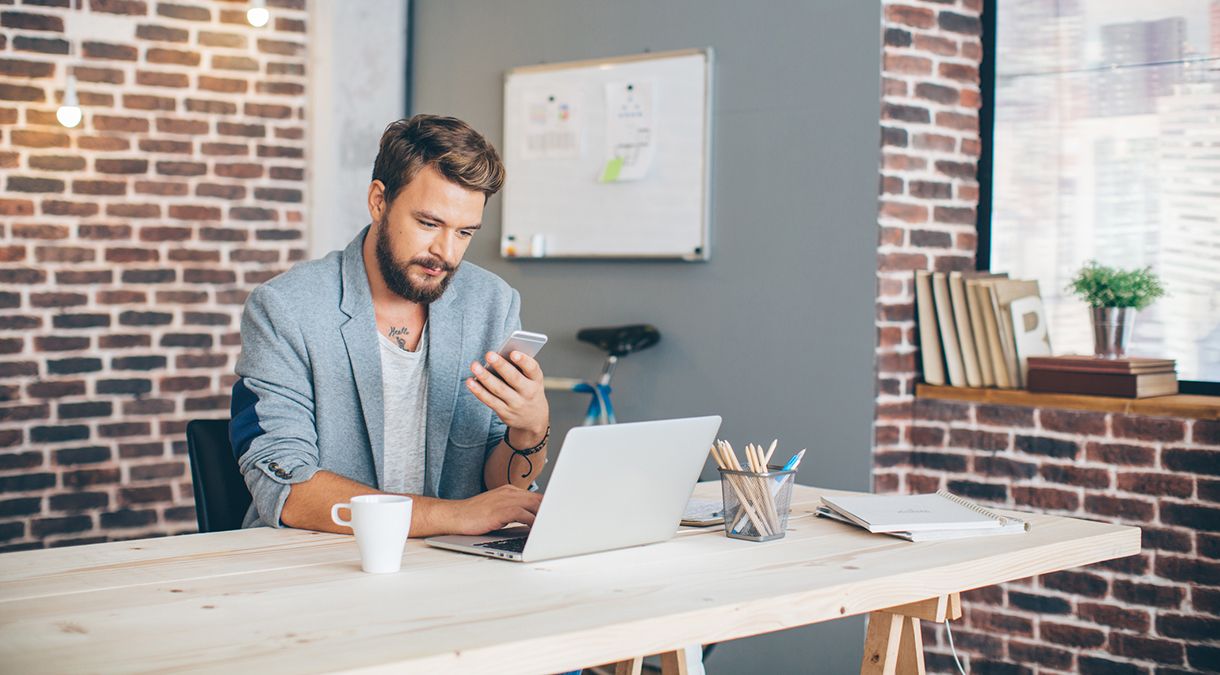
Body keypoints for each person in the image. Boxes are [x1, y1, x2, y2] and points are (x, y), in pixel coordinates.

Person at [229, 115, 549, 537]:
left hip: (453, 566)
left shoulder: (492, 303)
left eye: (465, 232)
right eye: (429, 224)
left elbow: (500, 489)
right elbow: (284, 485)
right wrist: (449, 516)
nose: (446, 253)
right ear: (379, 201)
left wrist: (529, 430)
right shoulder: (285, 308)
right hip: (322, 562)